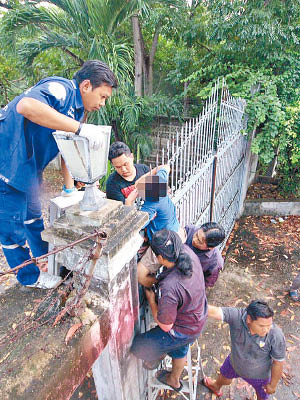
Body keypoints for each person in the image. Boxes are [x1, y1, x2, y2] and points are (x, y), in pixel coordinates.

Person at [0, 60, 118, 289]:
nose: (103, 104)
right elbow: (26, 106)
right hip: (6, 165)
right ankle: (29, 278)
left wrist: (69, 188)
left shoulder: (79, 110)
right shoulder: (61, 90)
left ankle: (46, 258)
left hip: (28, 168)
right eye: (102, 96)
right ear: (85, 86)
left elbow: (67, 147)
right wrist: (81, 129)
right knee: (11, 228)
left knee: (33, 217)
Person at [131, 229, 207, 393]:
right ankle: (174, 380)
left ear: (159, 258)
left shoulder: (170, 287)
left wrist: (151, 299)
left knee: (137, 347)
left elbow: (166, 326)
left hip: (182, 330)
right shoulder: (188, 252)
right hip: (197, 319)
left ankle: (161, 352)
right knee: (179, 345)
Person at [203, 300, 286, 399]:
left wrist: (273, 385)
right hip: (234, 363)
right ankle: (216, 387)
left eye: (269, 325)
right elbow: (214, 311)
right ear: (249, 319)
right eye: (262, 326)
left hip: (259, 375)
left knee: (262, 395)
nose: (267, 330)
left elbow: (278, 362)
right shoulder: (237, 316)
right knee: (223, 377)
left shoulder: (276, 335)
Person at [135, 164, 186, 287]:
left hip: (164, 243)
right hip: (177, 232)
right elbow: (166, 167)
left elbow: (134, 225)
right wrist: (152, 173)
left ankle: (161, 285)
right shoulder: (160, 183)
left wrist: (129, 201)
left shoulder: (151, 205)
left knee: (140, 274)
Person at [184, 222, 225, 288]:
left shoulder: (215, 263)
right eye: (196, 235)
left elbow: (206, 284)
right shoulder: (189, 230)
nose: (194, 240)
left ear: (211, 247)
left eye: (199, 241)